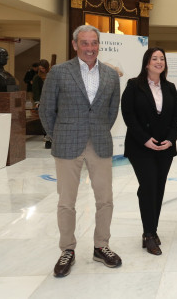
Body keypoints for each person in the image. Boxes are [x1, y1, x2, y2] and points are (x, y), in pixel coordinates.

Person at [39, 25, 122, 278]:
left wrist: (96, 130)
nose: (89, 48)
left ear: (99, 45)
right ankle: (67, 249)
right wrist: (58, 135)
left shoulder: (110, 75)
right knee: (66, 202)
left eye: (94, 43)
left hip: (99, 143)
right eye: (84, 43)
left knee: (105, 199)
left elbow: (111, 111)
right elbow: (46, 109)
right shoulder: (59, 72)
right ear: (75, 45)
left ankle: (101, 245)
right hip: (67, 144)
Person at [121, 47, 177, 255]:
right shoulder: (133, 85)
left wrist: (171, 140)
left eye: (162, 59)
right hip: (141, 147)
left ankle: (152, 230)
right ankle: (148, 234)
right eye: (154, 58)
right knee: (148, 187)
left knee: (158, 187)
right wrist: (145, 139)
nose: (159, 61)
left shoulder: (171, 87)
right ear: (147, 63)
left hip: (164, 147)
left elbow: (176, 118)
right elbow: (128, 115)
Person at [32, 59, 52, 149]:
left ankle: (50, 139)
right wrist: (37, 102)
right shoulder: (37, 78)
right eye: (40, 69)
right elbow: (36, 91)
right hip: (43, 102)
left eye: (43, 68)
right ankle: (48, 139)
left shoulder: (52, 75)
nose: (42, 70)